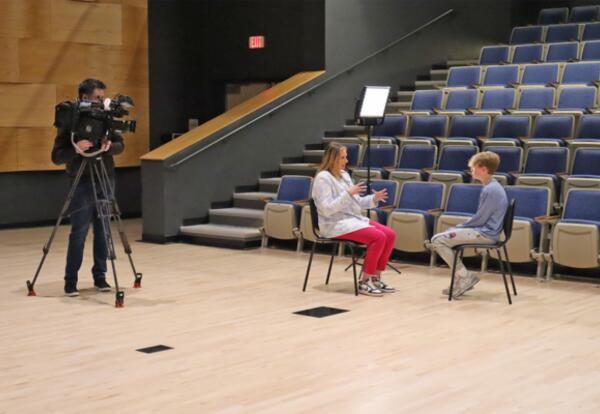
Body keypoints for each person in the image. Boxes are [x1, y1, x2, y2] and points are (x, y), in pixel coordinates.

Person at [51, 79, 125, 297]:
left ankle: (100, 277)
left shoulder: (105, 118)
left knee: (103, 230)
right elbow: (56, 157)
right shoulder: (70, 121)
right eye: (97, 98)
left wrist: (109, 146)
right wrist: (76, 148)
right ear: (84, 97)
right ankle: (70, 281)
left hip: (105, 178)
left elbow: (121, 145)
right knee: (79, 232)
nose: (102, 102)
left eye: (103, 98)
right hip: (81, 180)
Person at [312, 142, 397, 297]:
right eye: (342, 158)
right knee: (378, 237)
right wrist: (348, 194)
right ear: (332, 159)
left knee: (390, 234)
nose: (346, 161)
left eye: (346, 157)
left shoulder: (344, 175)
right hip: (334, 224)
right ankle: (365, 281)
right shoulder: (323, 178)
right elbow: (326, 209)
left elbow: (356, 201)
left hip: (351, 219)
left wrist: (374, 198)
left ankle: (376, 277)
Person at [431, 151, 508, 299]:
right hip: (486, 231)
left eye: (473, 168)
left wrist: (460, 227)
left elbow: (480, 219)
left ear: (483, 169)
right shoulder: (492, 187)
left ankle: (464, 276)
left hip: (486, 233)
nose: (471, 170)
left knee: (437, 240)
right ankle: (460, 279)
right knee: (443, 238)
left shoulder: (491, 190)